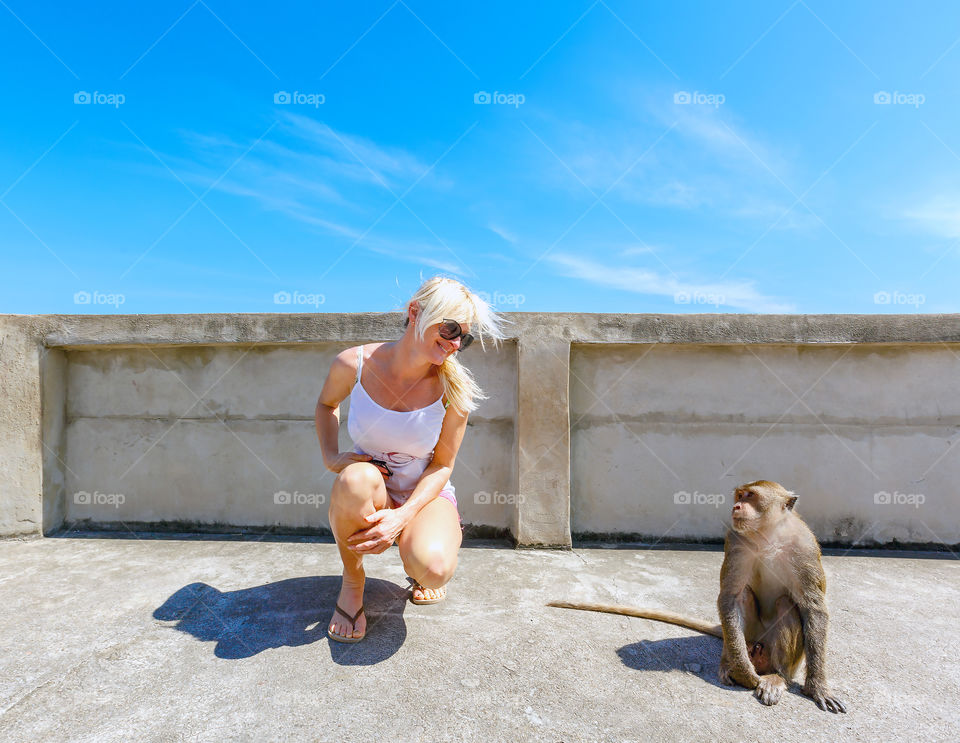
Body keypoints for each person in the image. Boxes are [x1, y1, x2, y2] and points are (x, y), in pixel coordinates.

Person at [315, 276, 506, 642]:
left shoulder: (455, 389)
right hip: (372, 490)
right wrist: (330, 456)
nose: (453, 343)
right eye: (449, 328)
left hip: (425, 494)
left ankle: (419, 549)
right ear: (415, 312)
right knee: (354, 479)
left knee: (433, 568)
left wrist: (402, 516)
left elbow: (443, 464)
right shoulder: (353, 363)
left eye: (462, 337)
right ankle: (353, 582)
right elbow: (326, 405)